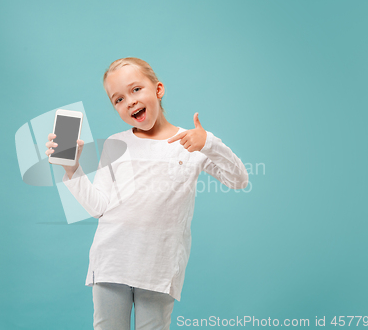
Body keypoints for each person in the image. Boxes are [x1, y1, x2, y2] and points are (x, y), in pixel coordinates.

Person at [45, 57, 249, 330]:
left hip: (159, 269)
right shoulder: (116, 144)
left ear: (158, 89)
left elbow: (239, 180)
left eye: (136, 90)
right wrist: (71, 169)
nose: (129, 101)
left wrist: (209, 143)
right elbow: (98, 207)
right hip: (111, 263)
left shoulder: (191, 143)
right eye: (118, 99)